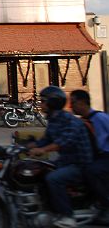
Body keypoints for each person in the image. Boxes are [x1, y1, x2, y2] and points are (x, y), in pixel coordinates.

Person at [25, 86, 93, 228]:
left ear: (53, 103)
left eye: (43, 101)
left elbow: (63, 142)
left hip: (80, 164)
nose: (41, 104)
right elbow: (46, 140)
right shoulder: (53, 120)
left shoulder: (70, 120)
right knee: (40, 172)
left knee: (53, 178)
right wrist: (27, 146)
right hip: (65, 162)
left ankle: (67, 216)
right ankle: (47, 209)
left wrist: (42, 150)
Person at [69, 89, 109, 221]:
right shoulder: (81, 122)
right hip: (95, 156)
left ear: (82, 102)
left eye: (73, 102)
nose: (71, 106)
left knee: (92, 171)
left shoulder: (100, 118)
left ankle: (106, 206)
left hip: (105, 156)